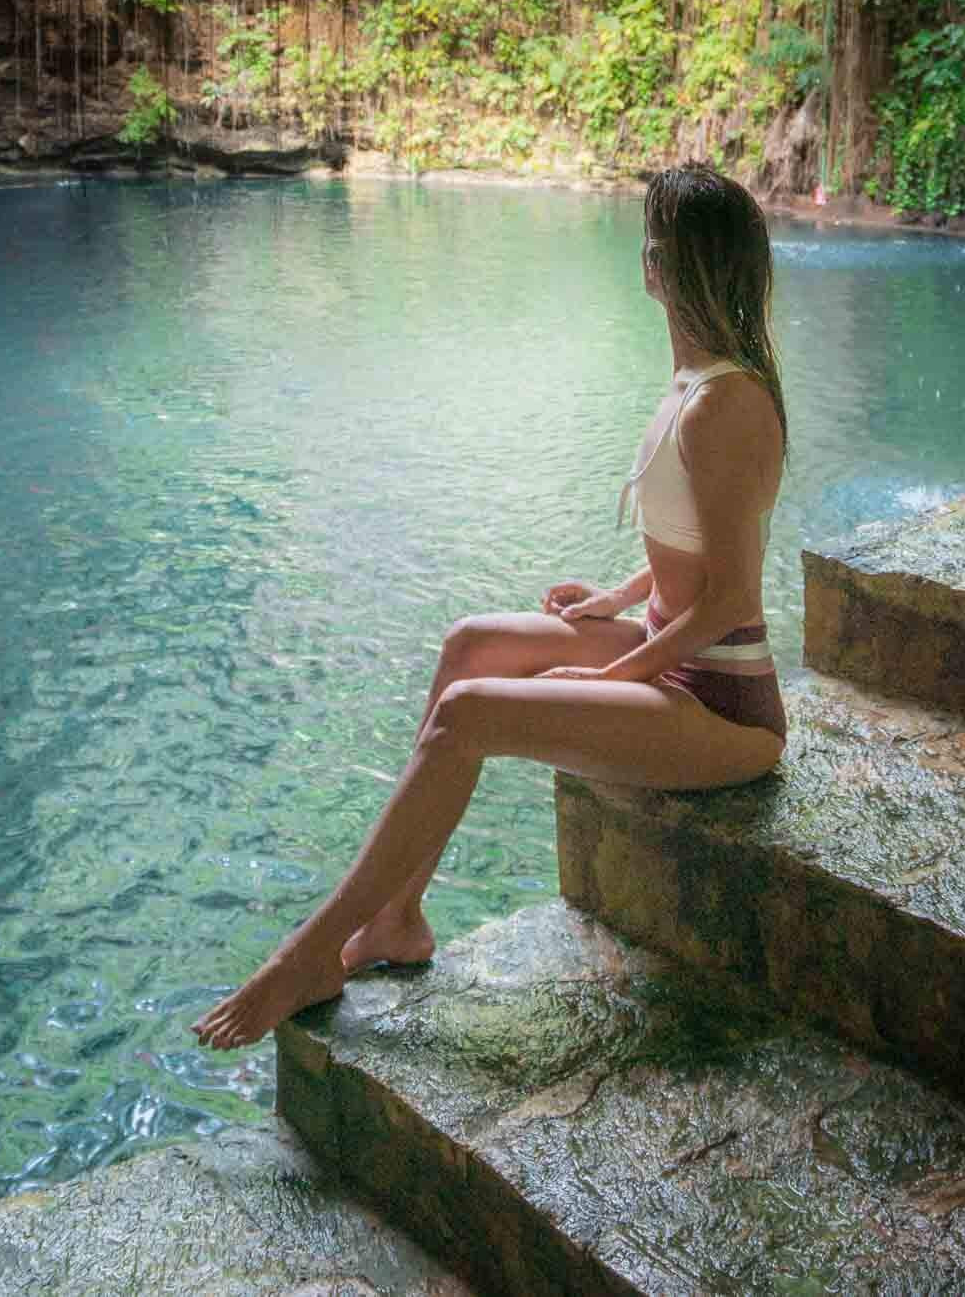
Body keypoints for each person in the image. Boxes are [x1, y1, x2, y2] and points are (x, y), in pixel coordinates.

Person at [191, 163, 788, 1051]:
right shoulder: (694, 384)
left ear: (668, 266)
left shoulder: (728, 403)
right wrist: (617, 598)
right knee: (471, 645)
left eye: (652, 243)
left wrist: (615, 673)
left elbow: (734, 597)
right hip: (671, 650)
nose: (645, 257)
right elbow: (694, 553)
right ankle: (398, 917)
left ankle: (311, 953)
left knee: (471, 714)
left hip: (723, 706)